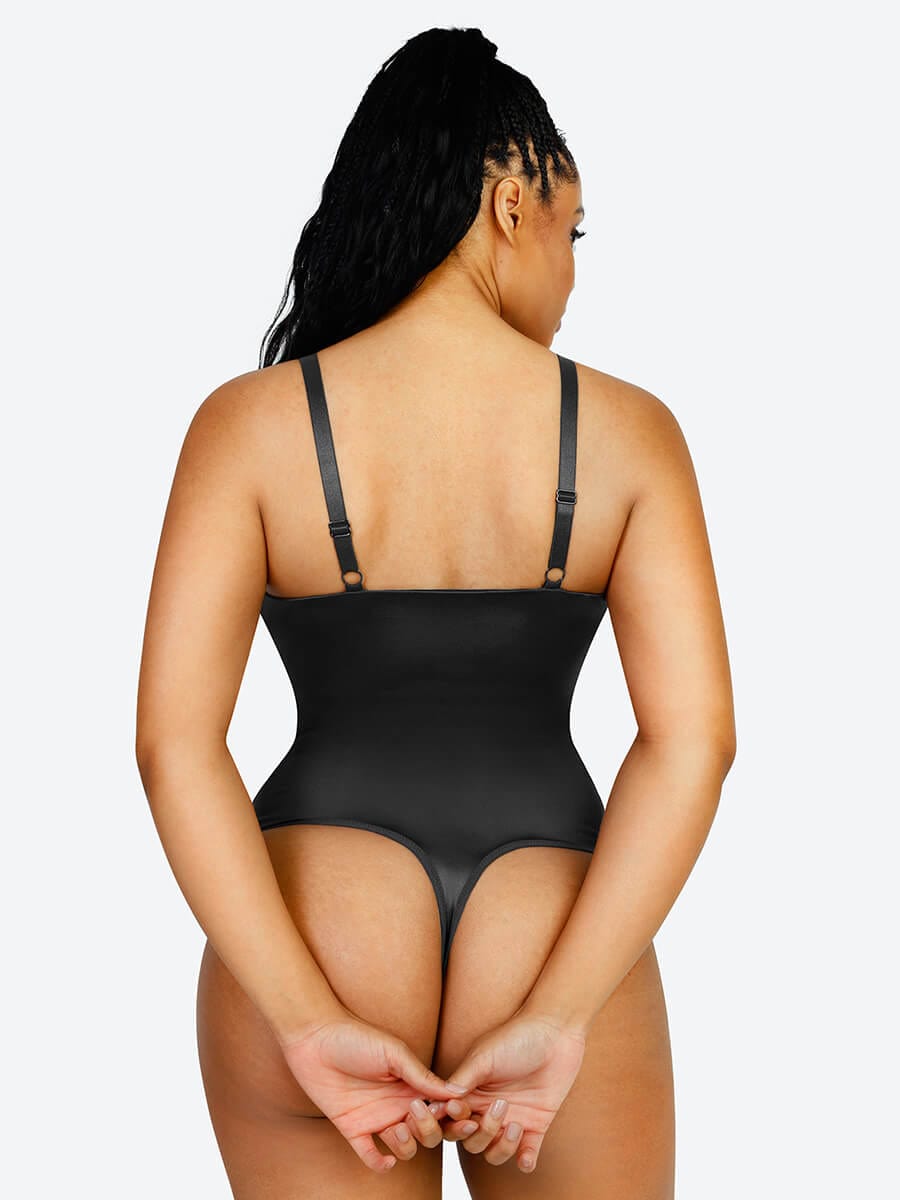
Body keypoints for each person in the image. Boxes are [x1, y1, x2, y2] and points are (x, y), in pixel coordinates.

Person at [135, 25, 736, 1199]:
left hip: (320, 920)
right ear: (513, 202)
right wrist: (560, 1012)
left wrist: (305, 1019)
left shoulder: (248, 426)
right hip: (551, 924)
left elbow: (174, 745)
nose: (572, 273)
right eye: (573, 231)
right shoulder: (631, 433)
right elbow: (694, 742)